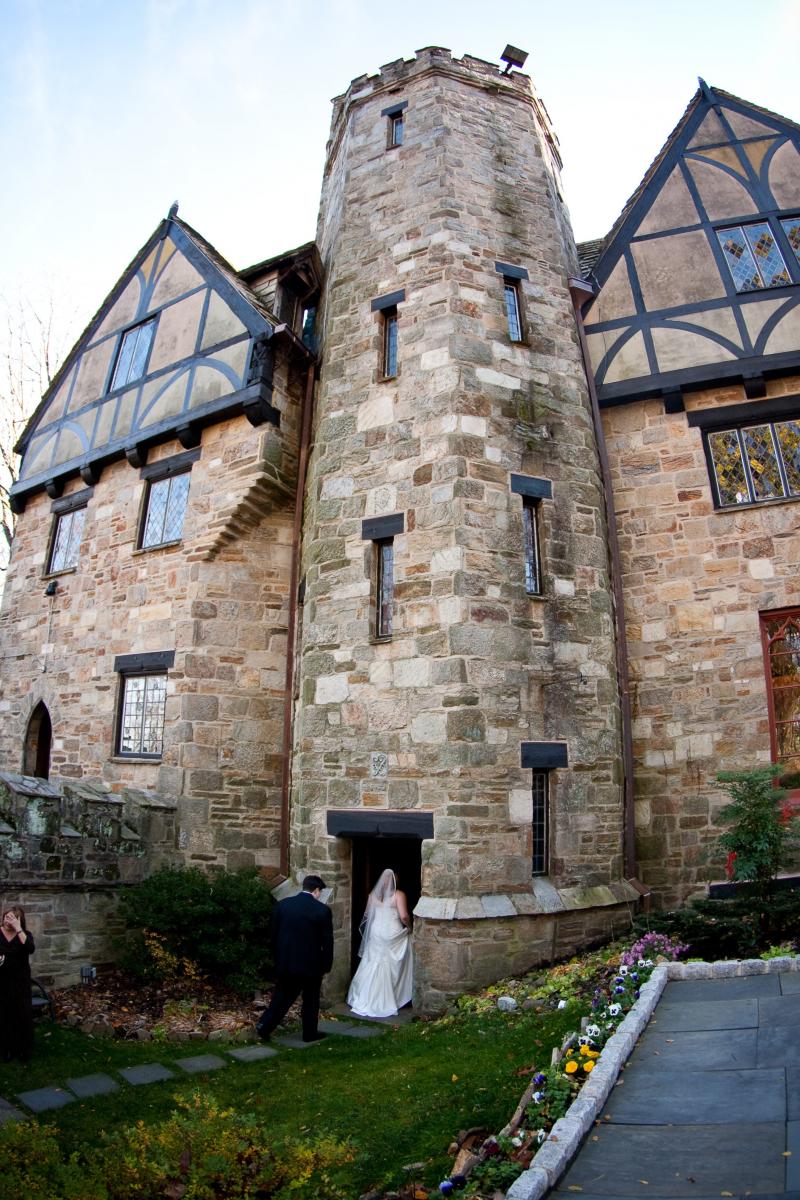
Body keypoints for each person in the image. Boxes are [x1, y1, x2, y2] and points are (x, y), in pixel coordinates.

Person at [256, 875, 333, 1043]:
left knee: (282, 996)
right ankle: (309, 1033)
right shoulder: (322, 911)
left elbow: (273, 935)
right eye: (320, 892)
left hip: (286, 961)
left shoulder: (283, 906)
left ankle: (264, 1025)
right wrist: (327, 964)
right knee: (311, 1000)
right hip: (311, 964)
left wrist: (276, 958)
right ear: (316, 890)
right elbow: (327, 941)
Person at [347, 868, 412, 1019]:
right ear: (395, 881)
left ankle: (364, 996)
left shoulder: (372, 896)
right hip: (392, 932)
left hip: (376, 932)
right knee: (394, 960)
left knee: (372, 961)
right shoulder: (399, 895)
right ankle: (394, 995)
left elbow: (367, 915)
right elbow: (404, 916)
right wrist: (409, 927)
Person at [0, 904, 36, 1063]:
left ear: (20, 920)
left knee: (22, 1014)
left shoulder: (25, 935)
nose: (8, 920)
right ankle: (7, 1048)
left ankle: (23, 1048)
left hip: (20, 982)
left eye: (12, 918)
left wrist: (18, 928)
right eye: (6, 917)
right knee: (4, 1015)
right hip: (2, 982)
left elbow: (30, 948)